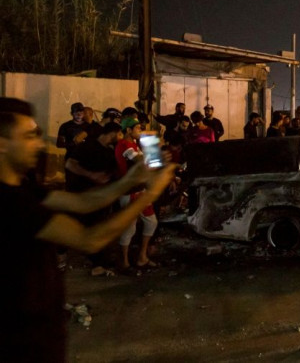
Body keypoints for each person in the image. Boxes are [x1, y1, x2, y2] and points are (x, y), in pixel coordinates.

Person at [0, 97, 175, 361]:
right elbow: (89, 239)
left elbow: (83, 202)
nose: (38, 144)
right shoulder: (10, 202)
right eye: (27, 137)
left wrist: (132, 178)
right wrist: (152, 193)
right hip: (22, 343)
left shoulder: (22, 188)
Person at [64, 122, 123, 276]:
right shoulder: (88, 146)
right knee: (72, 224)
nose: (120, 137)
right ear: (112, 133)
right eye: (119, 134)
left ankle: (98, 263)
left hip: (99, 198)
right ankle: (61, 254)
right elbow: (70, 164)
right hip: (80, 194)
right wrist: (91, 175)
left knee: (98, 228)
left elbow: (111, 174)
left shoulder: (110, 152)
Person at [115, 117, 160, 269]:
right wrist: (152, 147)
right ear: (128, 130)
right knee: (129, 227)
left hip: (140, 190)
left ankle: (142, 256)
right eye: (138, 129)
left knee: (151, 222)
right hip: (129, 191)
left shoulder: (133, 145)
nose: (140, 131)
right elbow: (143, 163)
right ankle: (125, 261)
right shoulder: (124, 146)